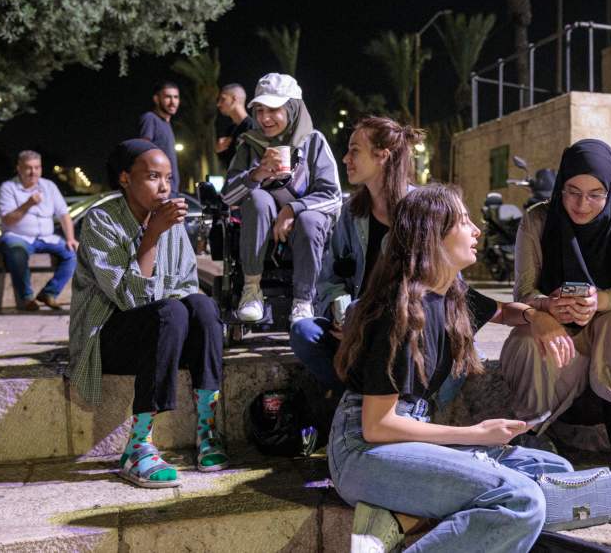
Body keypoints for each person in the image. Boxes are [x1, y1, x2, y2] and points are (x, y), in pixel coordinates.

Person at [329, 184, 574, 553]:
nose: (476, 230)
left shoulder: (450, 295)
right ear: (433, 235)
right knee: (522, 499)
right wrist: (476, 434)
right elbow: (377, 425)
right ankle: (406, 514)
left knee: (556, 474)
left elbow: (504, 312)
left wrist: (537, 317)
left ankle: (402, 516)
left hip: (407, 438)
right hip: (363, 452)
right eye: (463, 221)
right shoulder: (399, 312)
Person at [499, 139, 611, 518]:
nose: (582, 205)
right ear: (560, 186)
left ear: (610, 189)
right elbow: (524, 291)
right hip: (559, 327)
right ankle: (533, 444)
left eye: (595, 194)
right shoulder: (538, 219)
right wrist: (546, 307)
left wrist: (598, 300)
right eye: (572, 192)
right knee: (528, 336)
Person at [68, 139, 228, 489]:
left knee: (203, 306)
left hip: (160, 335)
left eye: (168, 178)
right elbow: (128, 299)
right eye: (153, 176)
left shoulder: (172, 223)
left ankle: (206, 429)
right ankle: (138, 445)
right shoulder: (101, 221)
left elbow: (186, 285)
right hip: (107, 339)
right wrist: (152, 235)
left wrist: (161, 231)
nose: (164, 187)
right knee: (169, 312)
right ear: (125, 178)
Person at [290, 116, 419, 396]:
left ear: (382, 156)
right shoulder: (351, 213)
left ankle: (368, 403)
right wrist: (342, 313)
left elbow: (438, 290)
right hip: (355, 331)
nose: (346, 159)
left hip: (403, 331)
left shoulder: (420, 211)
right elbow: (329, 279)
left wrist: (363, 318)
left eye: (355, 151)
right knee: (303, 332)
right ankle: (357, 399)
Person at [222, 73, 342, 324]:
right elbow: (227, 197)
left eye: (274, 110)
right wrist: (256, 175)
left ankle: (303, 301)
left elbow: (332, 195)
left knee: (310, 219)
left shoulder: (314, 142)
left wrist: (292, 209)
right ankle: (251, 290)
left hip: (306, 229)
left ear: (293, 109)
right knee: (257, 198)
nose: (264, 118)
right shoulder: (249, 144)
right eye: (259, 110)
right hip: (261, 229)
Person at [0, 150, 78, 311]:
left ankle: (49, 293)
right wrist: (27, 204)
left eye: (37, 167)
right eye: (28, 168)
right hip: (17, 236)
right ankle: (26, 298)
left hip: (46, 237)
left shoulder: (49, 186)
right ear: (19, 168)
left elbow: (64, 214)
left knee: (73, 253)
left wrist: (70, 238)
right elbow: (7, 220)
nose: (33, 172)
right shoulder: (8, 188)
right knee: (17, 253)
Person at [138, 81, 181, 196]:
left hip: (171, 190)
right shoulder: (150, 118)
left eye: (176, 97)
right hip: (160, 191)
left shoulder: (167, 124)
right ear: (156, 99)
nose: (173, 102)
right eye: (168, 97)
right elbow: (143, 152)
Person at [215, 83, 258, 168]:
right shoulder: (231, 130)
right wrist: (219, 150)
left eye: (223, 99)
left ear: (234, 99)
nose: (218, 104)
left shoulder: (253, 127)